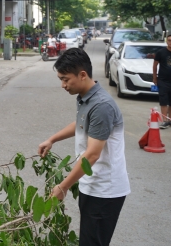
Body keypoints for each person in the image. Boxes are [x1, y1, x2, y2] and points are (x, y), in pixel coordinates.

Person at [38, 48, 130, 246]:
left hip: (105, 190)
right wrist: (52, 139)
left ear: (82, 75)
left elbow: (92, 155)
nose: (63, 85)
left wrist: (63, 187)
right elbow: (80, 123)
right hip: (91, 184)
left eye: (65, 79)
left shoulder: (102, 105)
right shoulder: (85, 97)